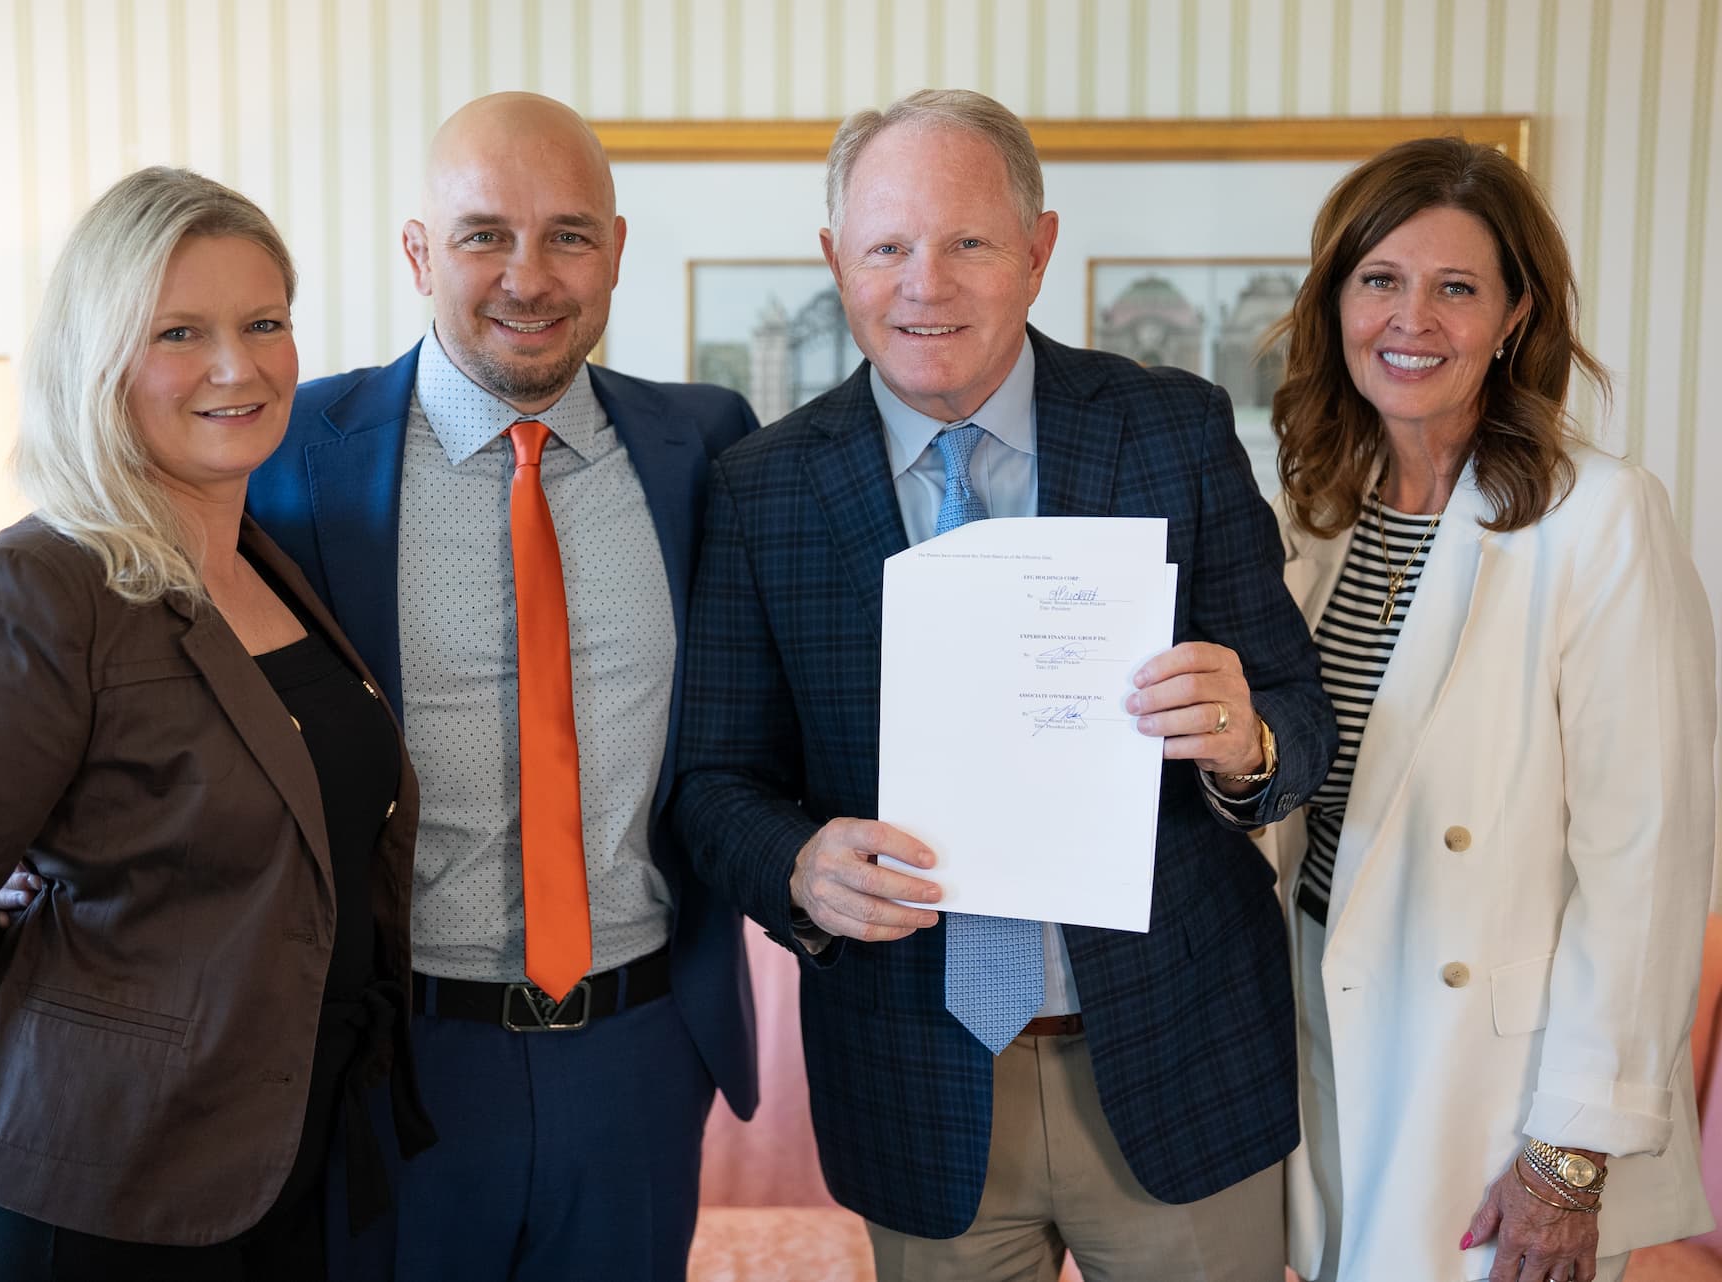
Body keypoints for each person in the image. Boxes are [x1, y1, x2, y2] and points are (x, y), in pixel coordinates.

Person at [674, 89, 1335, 1282]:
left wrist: (1247, 741)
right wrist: (796, 864)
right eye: (887, 246)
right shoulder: (761, 487)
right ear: (836, 261)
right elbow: (714, 782)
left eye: (970, 241)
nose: (925, 282)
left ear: (1038, 250)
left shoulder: (1172, 431)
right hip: (916, 1081)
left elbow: (1300, 710)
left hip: (1177, 1057)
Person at [0, 167, 434, 1281]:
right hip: (85, 1183)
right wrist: (70, 1005)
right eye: (180, 331)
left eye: (264, 323)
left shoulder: (263, 563)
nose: (236, 365)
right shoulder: (41, 590)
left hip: (273, 1158)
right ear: (97, 358)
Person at [244, 92, 760, 1282]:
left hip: (640, 1051)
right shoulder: (291, 456)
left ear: (618, 250)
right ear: (421, 252)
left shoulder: (708, 444)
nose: (529, 275)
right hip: (395, 1053)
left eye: (568, 234)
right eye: (484, 235)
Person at [1257, 135, 1716, 1282]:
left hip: (1492, 1080)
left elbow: (1646, 858)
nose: (1411, 319)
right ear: (1336, 304)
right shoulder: (1312, 509)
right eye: (1380, 281)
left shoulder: (1601, 517)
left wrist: (1570, 1154)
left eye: (1456, 287)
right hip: (1316, 1017)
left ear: (1514, 315)